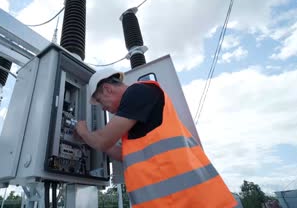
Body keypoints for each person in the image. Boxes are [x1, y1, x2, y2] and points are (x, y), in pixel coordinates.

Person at [75, 68, 237, 208]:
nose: (104, 108)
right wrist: (93, 139)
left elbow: (103, 141)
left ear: (107, 89)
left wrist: (84, 132)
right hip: (178, 201)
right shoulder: (134, 116)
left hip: (193, 201)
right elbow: (123, 153)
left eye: (100, 102)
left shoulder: (137, 92)